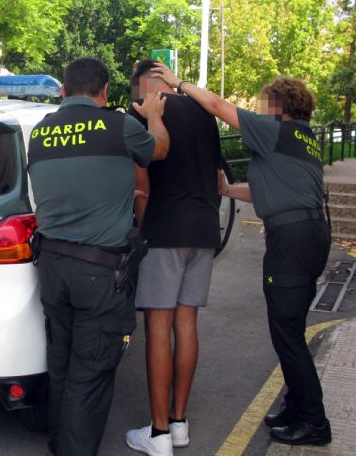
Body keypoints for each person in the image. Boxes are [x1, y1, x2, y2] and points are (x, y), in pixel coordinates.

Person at [151, 64, 332, 446]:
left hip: (292, 240)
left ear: (280, 106)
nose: (261, 110)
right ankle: (296, 408)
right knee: (291, 327)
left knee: (287, 331)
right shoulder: (304, 138)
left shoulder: (276, 129)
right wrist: (229, 191)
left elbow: (217, 105)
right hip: (311, 233)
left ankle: (314, 422)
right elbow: (276, 190)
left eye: (266, 103)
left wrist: (177, 82)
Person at [27, 57, 170, 456]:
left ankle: (58, 442)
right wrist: (155, 116)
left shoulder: (40, 132)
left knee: (62, 363)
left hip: (52, 267)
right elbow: (158, 150)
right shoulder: (119, 126)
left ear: (63, 91)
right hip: (101, 271)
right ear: (105, 91)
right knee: (90, 372)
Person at [124, 59, 223, 456]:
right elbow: (218, 178)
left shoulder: (145, 115)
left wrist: (144, 231)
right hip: (203, 229)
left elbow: (142, 183)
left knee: (157, 327)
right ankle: (179, 422)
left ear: (146, 86)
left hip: (165, 229)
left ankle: (159, 433)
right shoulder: (203, 113)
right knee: (187, 322)